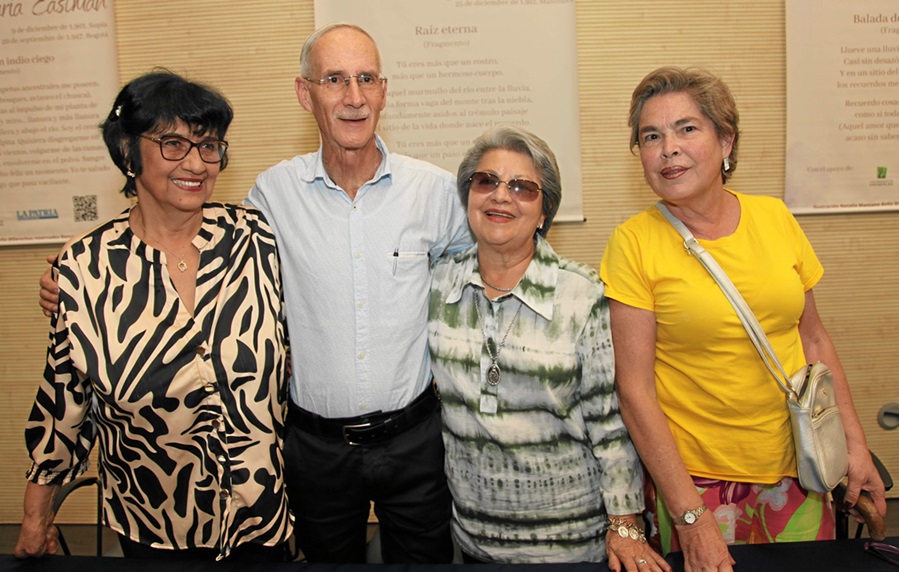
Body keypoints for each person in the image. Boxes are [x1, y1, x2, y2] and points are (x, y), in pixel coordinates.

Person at [599, 67, 887, 572]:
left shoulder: (775, 218)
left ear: (725, 140)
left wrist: (855, 446)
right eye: (651, 136)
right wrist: (691, 518)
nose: (668, 148)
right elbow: (635, 390)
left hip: (800, 468)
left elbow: (813, 338)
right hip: (697, 483)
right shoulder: (634, 243)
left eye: (687, 128)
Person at [19, 71, 292, 561]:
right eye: (172, 143)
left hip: (263, 519)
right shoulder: (85, 270)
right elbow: (63, 406)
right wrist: (36, 519)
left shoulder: (255, 238)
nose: (196, 163)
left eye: (208, 146)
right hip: (155, 526)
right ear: (128, 152)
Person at [427, 125, 670, 571]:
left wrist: (626, 524)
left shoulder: (582, 294)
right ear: (468, 199)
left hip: (572, 544)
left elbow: (610, 422)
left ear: (544, 212)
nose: (501, 196)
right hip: (473, 539)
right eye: (487, 182)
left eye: (522, 187)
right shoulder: (438, 284)